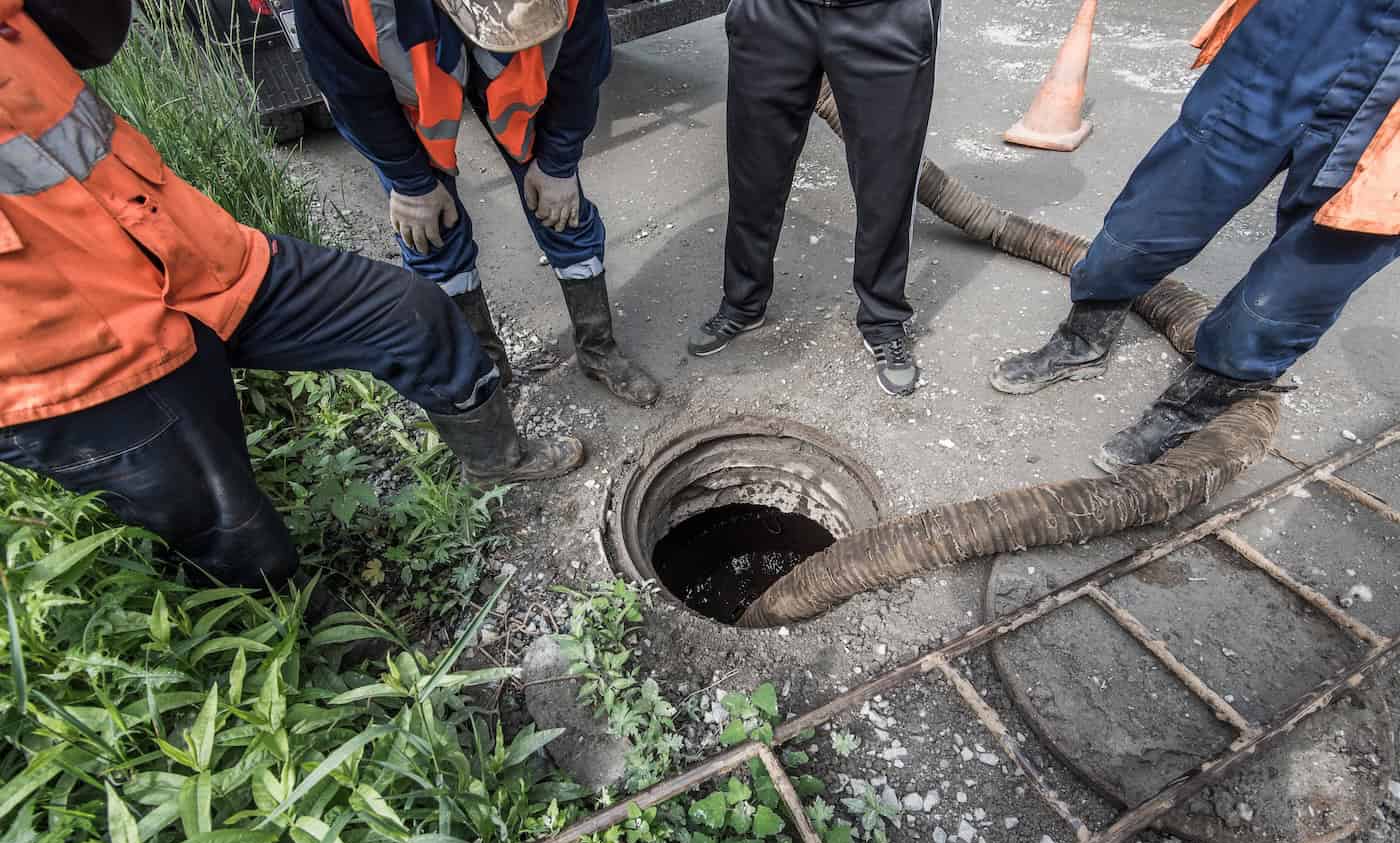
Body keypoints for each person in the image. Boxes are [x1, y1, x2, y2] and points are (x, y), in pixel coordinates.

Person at [0, 0, 585, 593]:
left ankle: (495, 462)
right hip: (74, 361)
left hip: (195, 257)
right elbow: (348, 82)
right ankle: (305, 637)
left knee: (412, 313)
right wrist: (411, 181)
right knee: (232, 530)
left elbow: (94, 41)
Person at [991, 0, 1399, 472]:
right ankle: (1084, 339)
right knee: (1164, 202)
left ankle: (1197, 402)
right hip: (1307, 28)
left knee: (1305, 276)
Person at [296, 0, 660, 408]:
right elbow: (348, 89)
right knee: (432, 232)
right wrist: (410, 181)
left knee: (562, 210)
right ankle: (485, 375)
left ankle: (598, 349)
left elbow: (583, 56)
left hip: (512, 71)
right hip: (406, 82)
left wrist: (559, 161)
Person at [685, 0, 942, 397]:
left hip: (884, 16)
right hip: (773, 13)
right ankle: (743, 301)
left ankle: (884, 317)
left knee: (887, 179)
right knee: (754, 169)